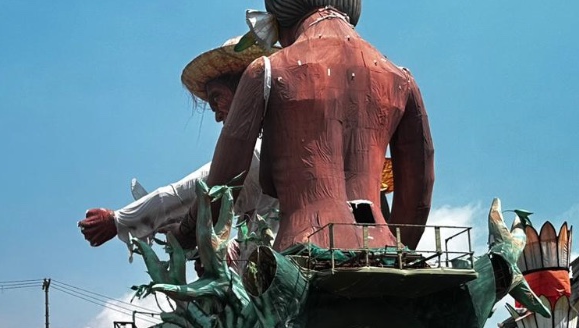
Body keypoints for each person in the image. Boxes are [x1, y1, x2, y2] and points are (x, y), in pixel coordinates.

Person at [176, 0, 434, 253]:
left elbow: (221, 188)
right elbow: (418, 192)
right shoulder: (401, 79)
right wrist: (397, 248)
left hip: (303, 249)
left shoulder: (268, 70)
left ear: (277, 20)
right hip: (383, 249)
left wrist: (183, 235)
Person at [78, 36, 277, 250]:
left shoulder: (260, 153)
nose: (217, 116)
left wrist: (117, 220)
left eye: (217, 98)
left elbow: (191, 192)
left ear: (244, 87)